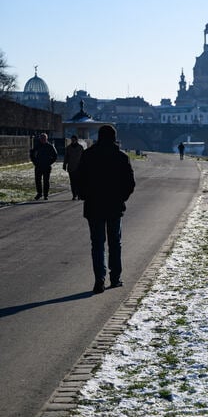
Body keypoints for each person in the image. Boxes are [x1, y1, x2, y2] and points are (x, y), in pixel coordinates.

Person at [76, 124, 135, 294]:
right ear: (114, 138)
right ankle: (115, 278)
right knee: (115, 243)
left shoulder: (88, 155)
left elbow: (79, 180)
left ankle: (99, 279)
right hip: (114, 206)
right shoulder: (121, 157)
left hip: (94, 206)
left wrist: (86, 195)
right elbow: (130, 184)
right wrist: (121, 198)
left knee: (97, 244)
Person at [30, 133, 58, 200]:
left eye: (44, 138)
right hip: (38, 166)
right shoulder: (37, 146)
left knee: (46, 181)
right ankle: (39, 193)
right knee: (38, 180)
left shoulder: (50, 146)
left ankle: (46, 194)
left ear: (46, 139)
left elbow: (55, 155)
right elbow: (32, 154)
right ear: (40, 139)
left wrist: (49, 162)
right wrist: (35, 162)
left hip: (46, 166)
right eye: (41, 138)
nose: (43, 140)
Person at [62, 135, 85, 200]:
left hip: (79, 167)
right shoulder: (68, 148)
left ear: (76, 140)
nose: (73, 141)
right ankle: (74, 194)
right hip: (71, 167)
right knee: (72, 182)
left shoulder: (80, 147)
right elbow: (66, 157)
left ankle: (79, 194)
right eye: (72, 140)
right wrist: (64, 165)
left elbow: (83, 157)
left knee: (78, 181)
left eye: (74, 139)